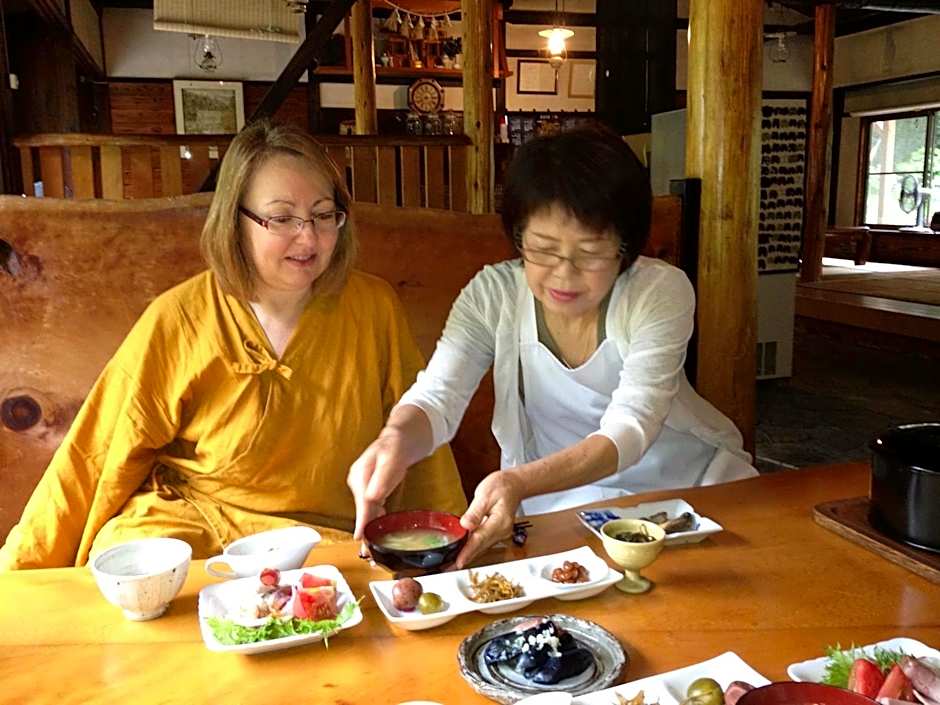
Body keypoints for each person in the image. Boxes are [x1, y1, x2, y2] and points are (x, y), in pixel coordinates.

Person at [0, 121, 466, 570]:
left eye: (323, 215)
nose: (308, 236)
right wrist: (22, 570)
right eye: (282, 218)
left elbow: (419, 434)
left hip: (320, 537)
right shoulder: (180, 315)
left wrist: (454, 547)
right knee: (126, 559)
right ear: (236, 221)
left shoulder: (373, 307)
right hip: (191, 522)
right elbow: (98, 451)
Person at [347, 127, 756, 567]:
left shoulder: (658, 291)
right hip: (564, 505)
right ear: (518, 237)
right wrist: (395, 441)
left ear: (625, 248)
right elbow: (437, 398)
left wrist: (518, 481)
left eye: (590, 252)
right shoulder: (493, 294)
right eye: (542, 250)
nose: (564, 274)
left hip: (685, 493)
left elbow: (630, 428)